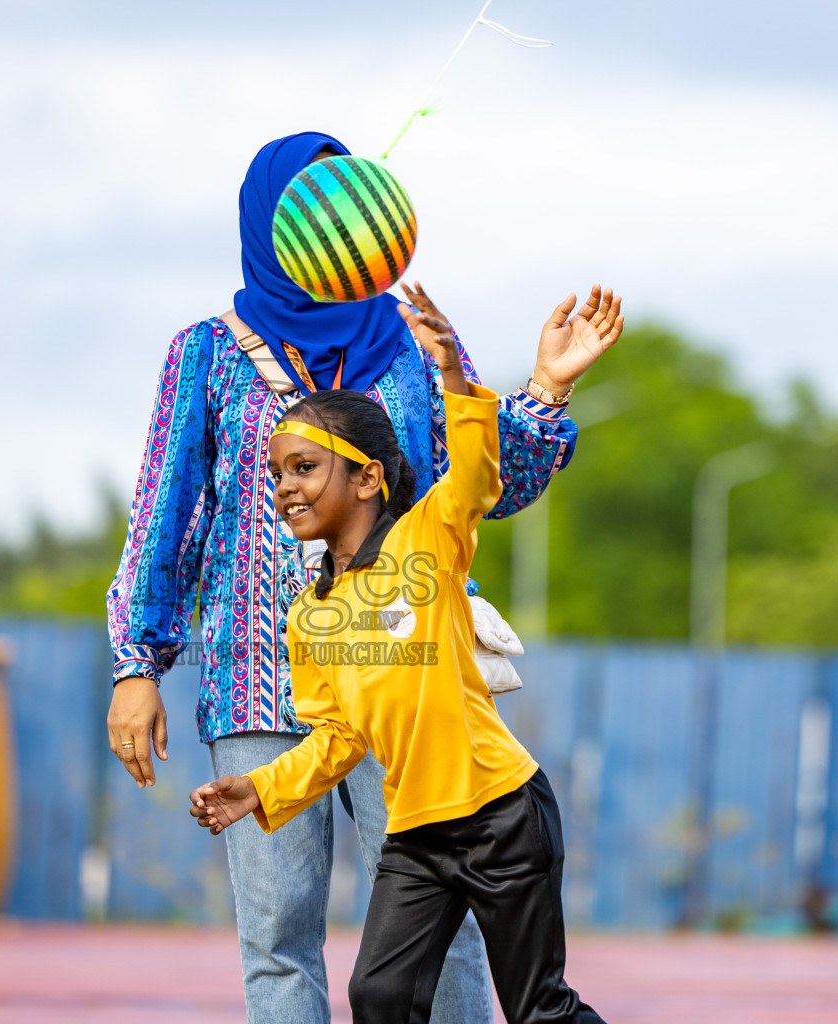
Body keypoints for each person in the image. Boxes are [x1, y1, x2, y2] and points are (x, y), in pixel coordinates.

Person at [106, 129, 621, 1024]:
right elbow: (167, 518)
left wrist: (546, 387)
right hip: (257, 686)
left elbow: (486, 482)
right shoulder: (207, 355)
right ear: (269, 222)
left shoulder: (411, 347)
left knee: (450, 936)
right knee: (278, 943)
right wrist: (136, 667)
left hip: (407, 687)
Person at [189, 296, 613, 1024]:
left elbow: (479, 475)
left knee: (540, 1009)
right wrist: (261, 789)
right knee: (379, 996)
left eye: (304, 467)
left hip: (500, 814)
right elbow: (337, 739)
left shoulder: (429, 537)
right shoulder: (310, 614)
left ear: (367, 479)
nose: (285, 487)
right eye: (278, 473)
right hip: (417, 837)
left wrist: (451, 371)